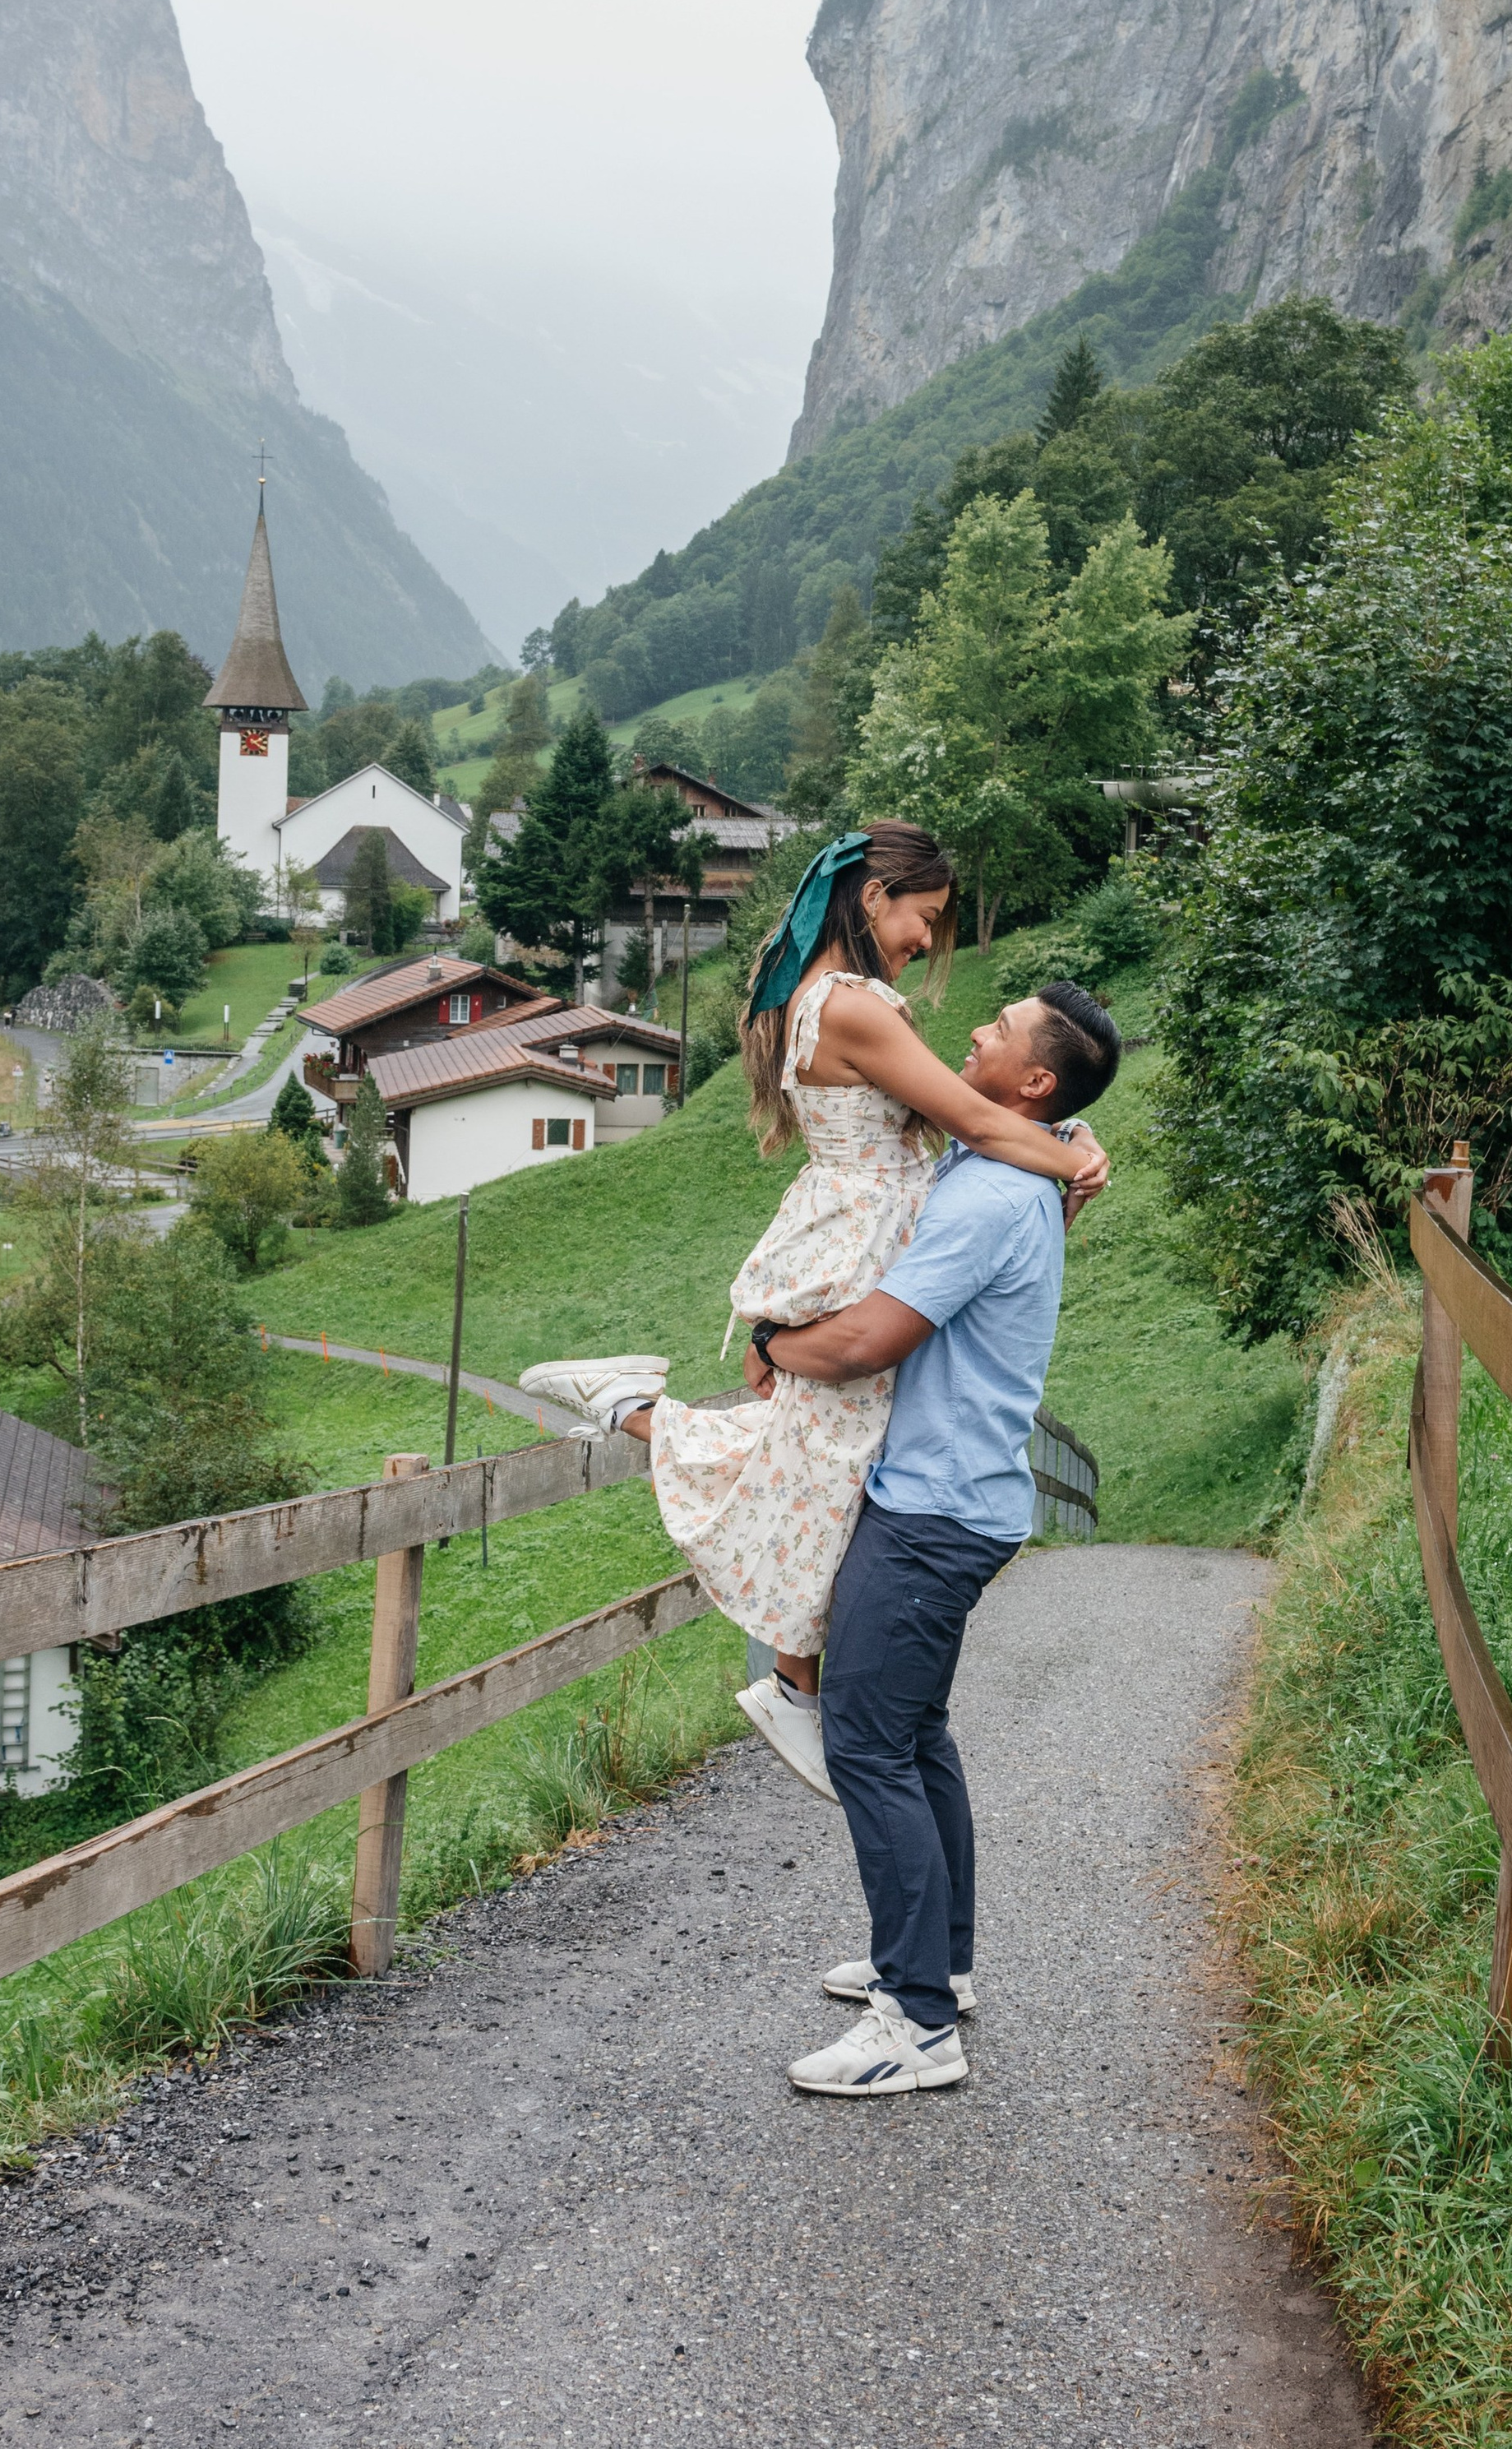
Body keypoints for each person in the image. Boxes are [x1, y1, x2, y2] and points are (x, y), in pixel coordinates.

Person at [521, 824, 1108, 1797]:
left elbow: (964, 1118)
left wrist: (1070, 1136)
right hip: (862, 1232)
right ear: (875, 897)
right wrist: (1076, 1156)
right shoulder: (850, 1004)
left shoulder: (852, 1000)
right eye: (925, 918)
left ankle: (638, 1419)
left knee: (826, 1454)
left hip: (875, 1223)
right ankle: (792, 1677)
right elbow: (965, 1120)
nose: (927, 942)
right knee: (834, 1463)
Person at [756, 978, 1123, 2097]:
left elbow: (873, 1335)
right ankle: (939, 1966)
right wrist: (1073, 1142)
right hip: (959, 1500)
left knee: (867, 1741)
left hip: (929, 1512)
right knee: (915, 1735)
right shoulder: (1020, 1154)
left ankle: (914, 2024)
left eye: (997, 1030)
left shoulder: (993, 1198)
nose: (970, 1031)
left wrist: (774, 1344)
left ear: (1034, 1078)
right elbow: (1022, 1130)